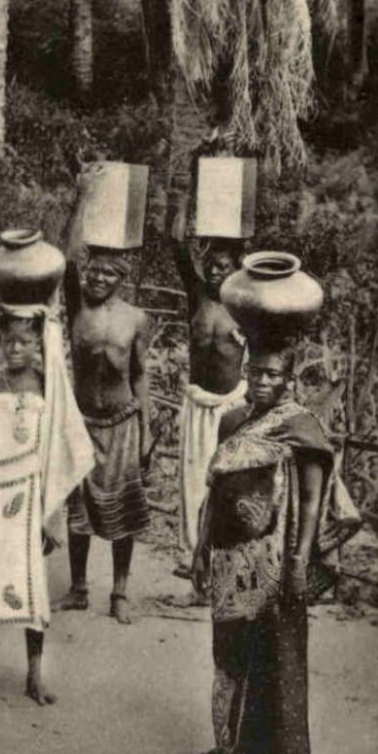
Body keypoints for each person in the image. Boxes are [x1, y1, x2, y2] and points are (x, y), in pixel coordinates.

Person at [192, 341, 360, 754]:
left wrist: (300, 560)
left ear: (289, 379)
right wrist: (200, 547)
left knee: (275, 649)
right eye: (256, 372)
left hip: (278, 555)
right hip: (231, 556)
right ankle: (227, 744)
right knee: (230, 647)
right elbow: (216, 489)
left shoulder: (301, 427)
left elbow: (310, 498)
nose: (263, 381)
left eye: (272, 374)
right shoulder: (231, 421)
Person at [0, 306, 94, 705]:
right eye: (8, 341)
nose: (15, 348)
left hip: (30, 498)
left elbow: (59, 448)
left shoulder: (47, 387)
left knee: (32, 583)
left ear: (38, 342)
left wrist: (50, 507)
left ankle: (34, 673)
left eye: (24, 341)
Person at [53, 177, 152, 626]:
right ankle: (77, 588)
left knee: (122, 510)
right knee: (79, 510)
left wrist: (147, 428)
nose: (97, 277)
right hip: (82, 421)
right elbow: (68, 254)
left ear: (121, 280)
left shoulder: (135, 319)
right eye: (94, 269)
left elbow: (141, 373)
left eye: (108, 273)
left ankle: (119, 591)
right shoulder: (76, 307)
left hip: (123, 422)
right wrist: (83, 196)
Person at [167, 198, 248, 587]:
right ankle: (193, 559)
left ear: (237, 269)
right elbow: (176, 242)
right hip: (198, 405)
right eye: (212, 265)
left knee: (230, 485)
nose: (216, 272)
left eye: (224, 266)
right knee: (195, 482)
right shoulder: (197, 296)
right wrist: (185, 189)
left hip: (232, 407)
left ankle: (226, 562)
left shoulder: (247, 306)